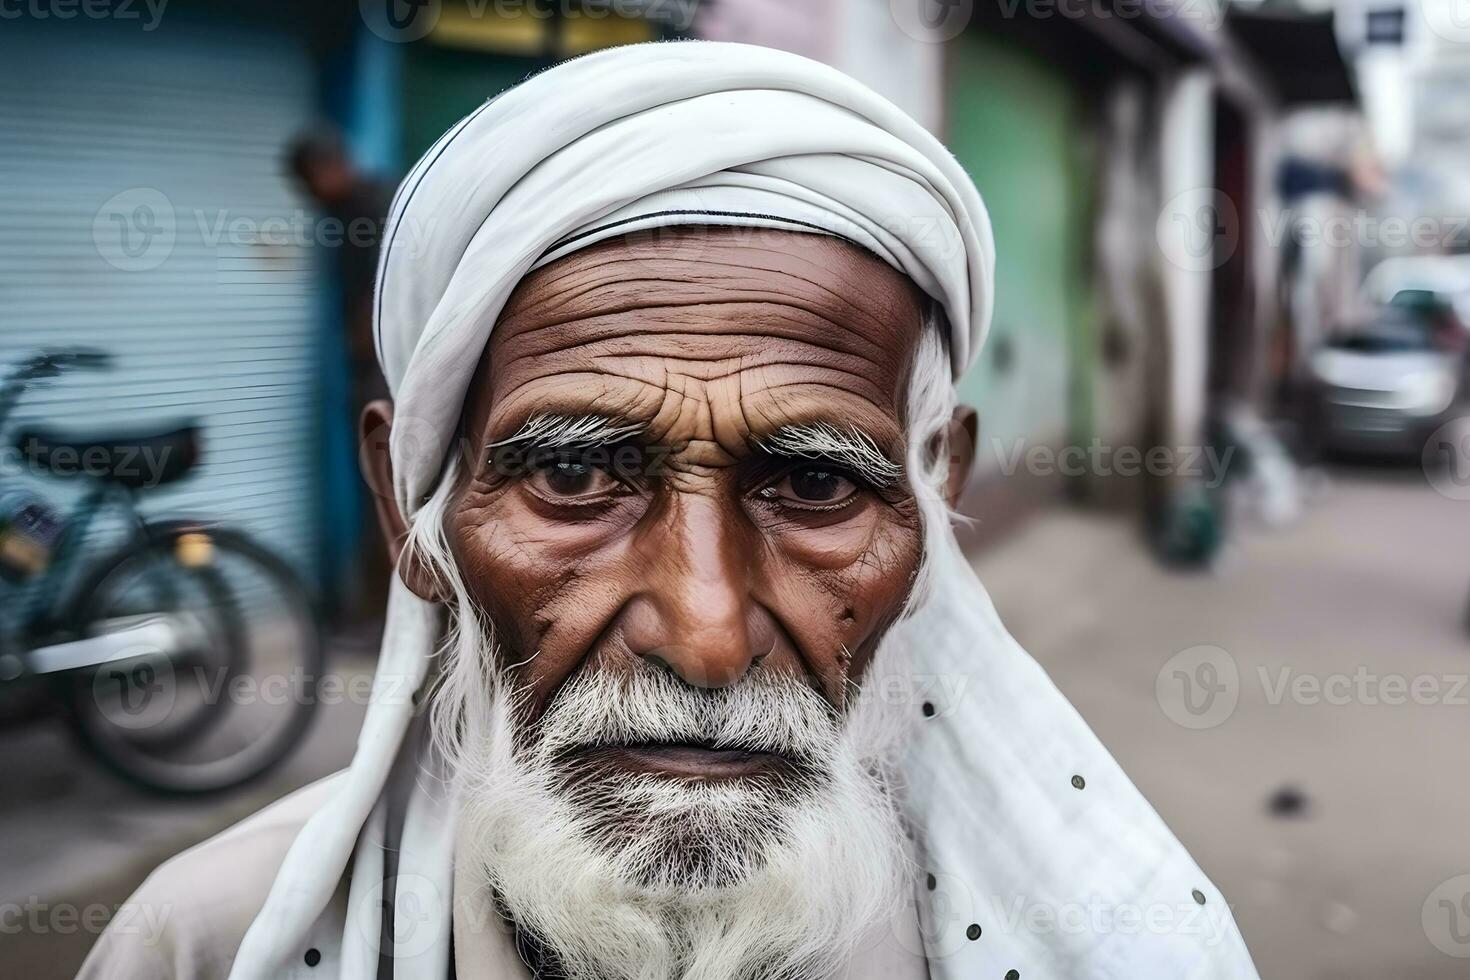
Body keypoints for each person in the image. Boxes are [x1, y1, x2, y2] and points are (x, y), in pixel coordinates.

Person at [82, 42, 1260, 980]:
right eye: (576, 478)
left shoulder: (1104, 943)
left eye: (814, 483)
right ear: (410, 506)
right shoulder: (203, 949)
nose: (705, 634)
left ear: (937, 492)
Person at [286, 128, 395, 624]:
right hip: (375, 373)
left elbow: (385, 295)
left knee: (387, 498)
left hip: (389, 375)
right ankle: (377, 614)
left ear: (330, 168)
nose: (308, 197)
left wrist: (369, 350)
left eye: (309, 184)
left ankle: (386, 618)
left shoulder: (372, 208)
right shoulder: (347, 211)